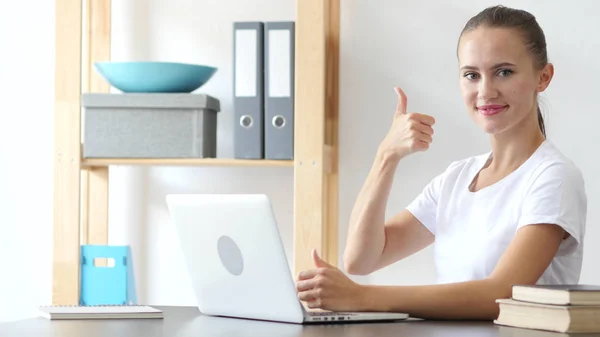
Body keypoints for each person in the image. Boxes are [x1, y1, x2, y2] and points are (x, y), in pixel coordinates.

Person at [294, 5, 587, 320]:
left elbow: (500, 295)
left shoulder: (553, 177)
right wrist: (386, 156)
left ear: (543, 77)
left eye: (504, 72)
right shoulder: (457, 178)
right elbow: (361, 259)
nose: (485, 91)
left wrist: (361, 296)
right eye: (471, 75)